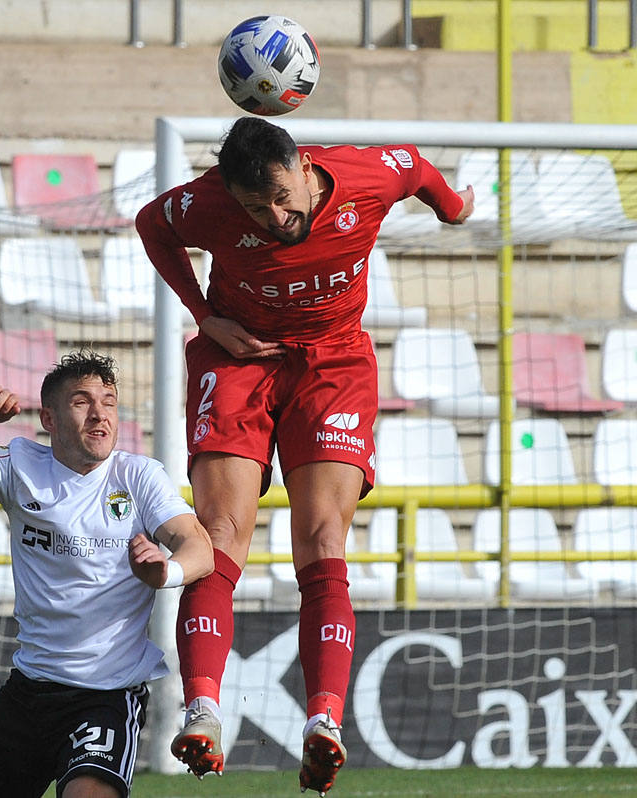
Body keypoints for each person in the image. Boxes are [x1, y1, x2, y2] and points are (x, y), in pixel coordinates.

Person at [134, 116, 474, 794]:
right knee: (220, 533)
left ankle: (324, 723)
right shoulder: (206, 204)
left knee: (321, 535)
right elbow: (152, 224)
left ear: (302, 169)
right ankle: (203, 708)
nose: (276, 217)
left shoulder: (366, 177)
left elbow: (418, 171)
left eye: (284, 198)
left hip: (334, 362)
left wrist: (453, 208)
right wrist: (204, 315)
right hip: (239, 358)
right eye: (258, 209)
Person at [0, 349, 214, 798]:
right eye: (81, 401)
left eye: (108, 401)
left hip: (105, 695)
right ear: (49, 418)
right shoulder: (19, 467)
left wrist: (164, 572)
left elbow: (199, 547)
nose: (99, 414)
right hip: (28, 691)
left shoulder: (139, 477)